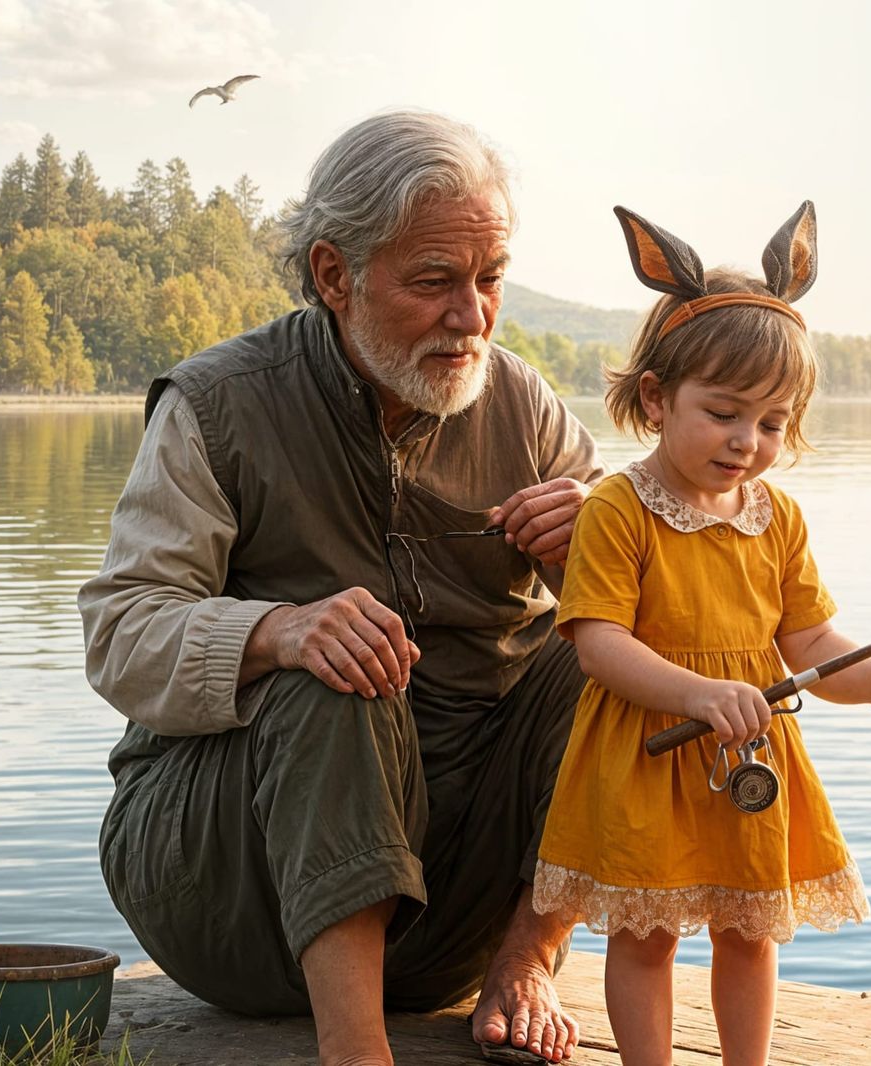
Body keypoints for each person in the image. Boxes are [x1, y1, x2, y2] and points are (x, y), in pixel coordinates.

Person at [78, 110, 605, 1065]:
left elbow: (648, 613)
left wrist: (595, 557)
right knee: (343, 669)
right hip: (230, 897)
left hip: (454, 914)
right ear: (333, 274)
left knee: (619, 664)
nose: (473, 317)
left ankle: (527, 964)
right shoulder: (217, 405)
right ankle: (354, 1049)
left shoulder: (525, 406)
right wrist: (278, 631)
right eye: (435, 283)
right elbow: (121, 633)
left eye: (490, 280)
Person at [530, 203, 871, 1066]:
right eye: (724, 413)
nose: (747, 442)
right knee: (646, 938)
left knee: (749, 932)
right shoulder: (618, 509)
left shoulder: (776, 516)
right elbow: (597, 641)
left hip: (749, 756)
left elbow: (810, 643)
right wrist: (695, 692)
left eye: (770, 422)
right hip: (650, 752)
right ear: (655, 397)